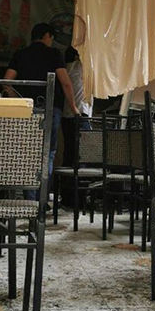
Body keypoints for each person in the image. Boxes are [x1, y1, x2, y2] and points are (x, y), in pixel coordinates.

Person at [4, 23, 79, 200]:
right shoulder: (54, 54)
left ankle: (30, 198)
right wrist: (74, 108)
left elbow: (6, 81)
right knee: (48, 153)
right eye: (51, 38)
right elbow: (65, 82)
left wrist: (18, 99)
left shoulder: (20, 54)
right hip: (50, 109)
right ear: (47, 35)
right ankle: (41, 199)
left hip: (27, 110)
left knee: (28, 152)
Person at [60, 46, 93, 207]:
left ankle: (67, 197)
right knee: (82, 158)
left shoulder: (67, 69)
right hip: (80, 115)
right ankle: (79, 199)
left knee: (68, 157)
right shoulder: (80, 67)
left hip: (67, 117)